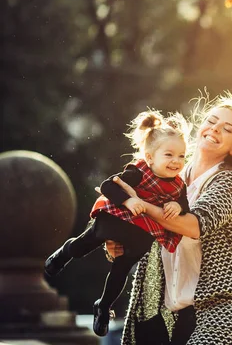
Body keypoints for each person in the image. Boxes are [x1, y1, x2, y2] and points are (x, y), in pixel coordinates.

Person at [104, 92, 232, 345]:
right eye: (211, 121)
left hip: (221, 310)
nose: (215, 129)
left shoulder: (230, 180)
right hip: (168, 311)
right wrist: (118, 245)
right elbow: (144, 232)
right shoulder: (170, 176)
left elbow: (193, 225)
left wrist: (140, 205)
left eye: (226, 129)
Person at [44, 110, 191, 337]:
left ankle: (103, 307)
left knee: (121, 269)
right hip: (118, 218)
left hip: (141, 232)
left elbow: (185, 205)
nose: (176, 161)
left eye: (181, 156)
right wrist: (130, 199)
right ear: (150, 157)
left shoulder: (179, 185)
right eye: (169, 155)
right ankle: (64, 253)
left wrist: (178, 207)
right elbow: (107, 186)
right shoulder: (138, 172)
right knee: (86, 244)